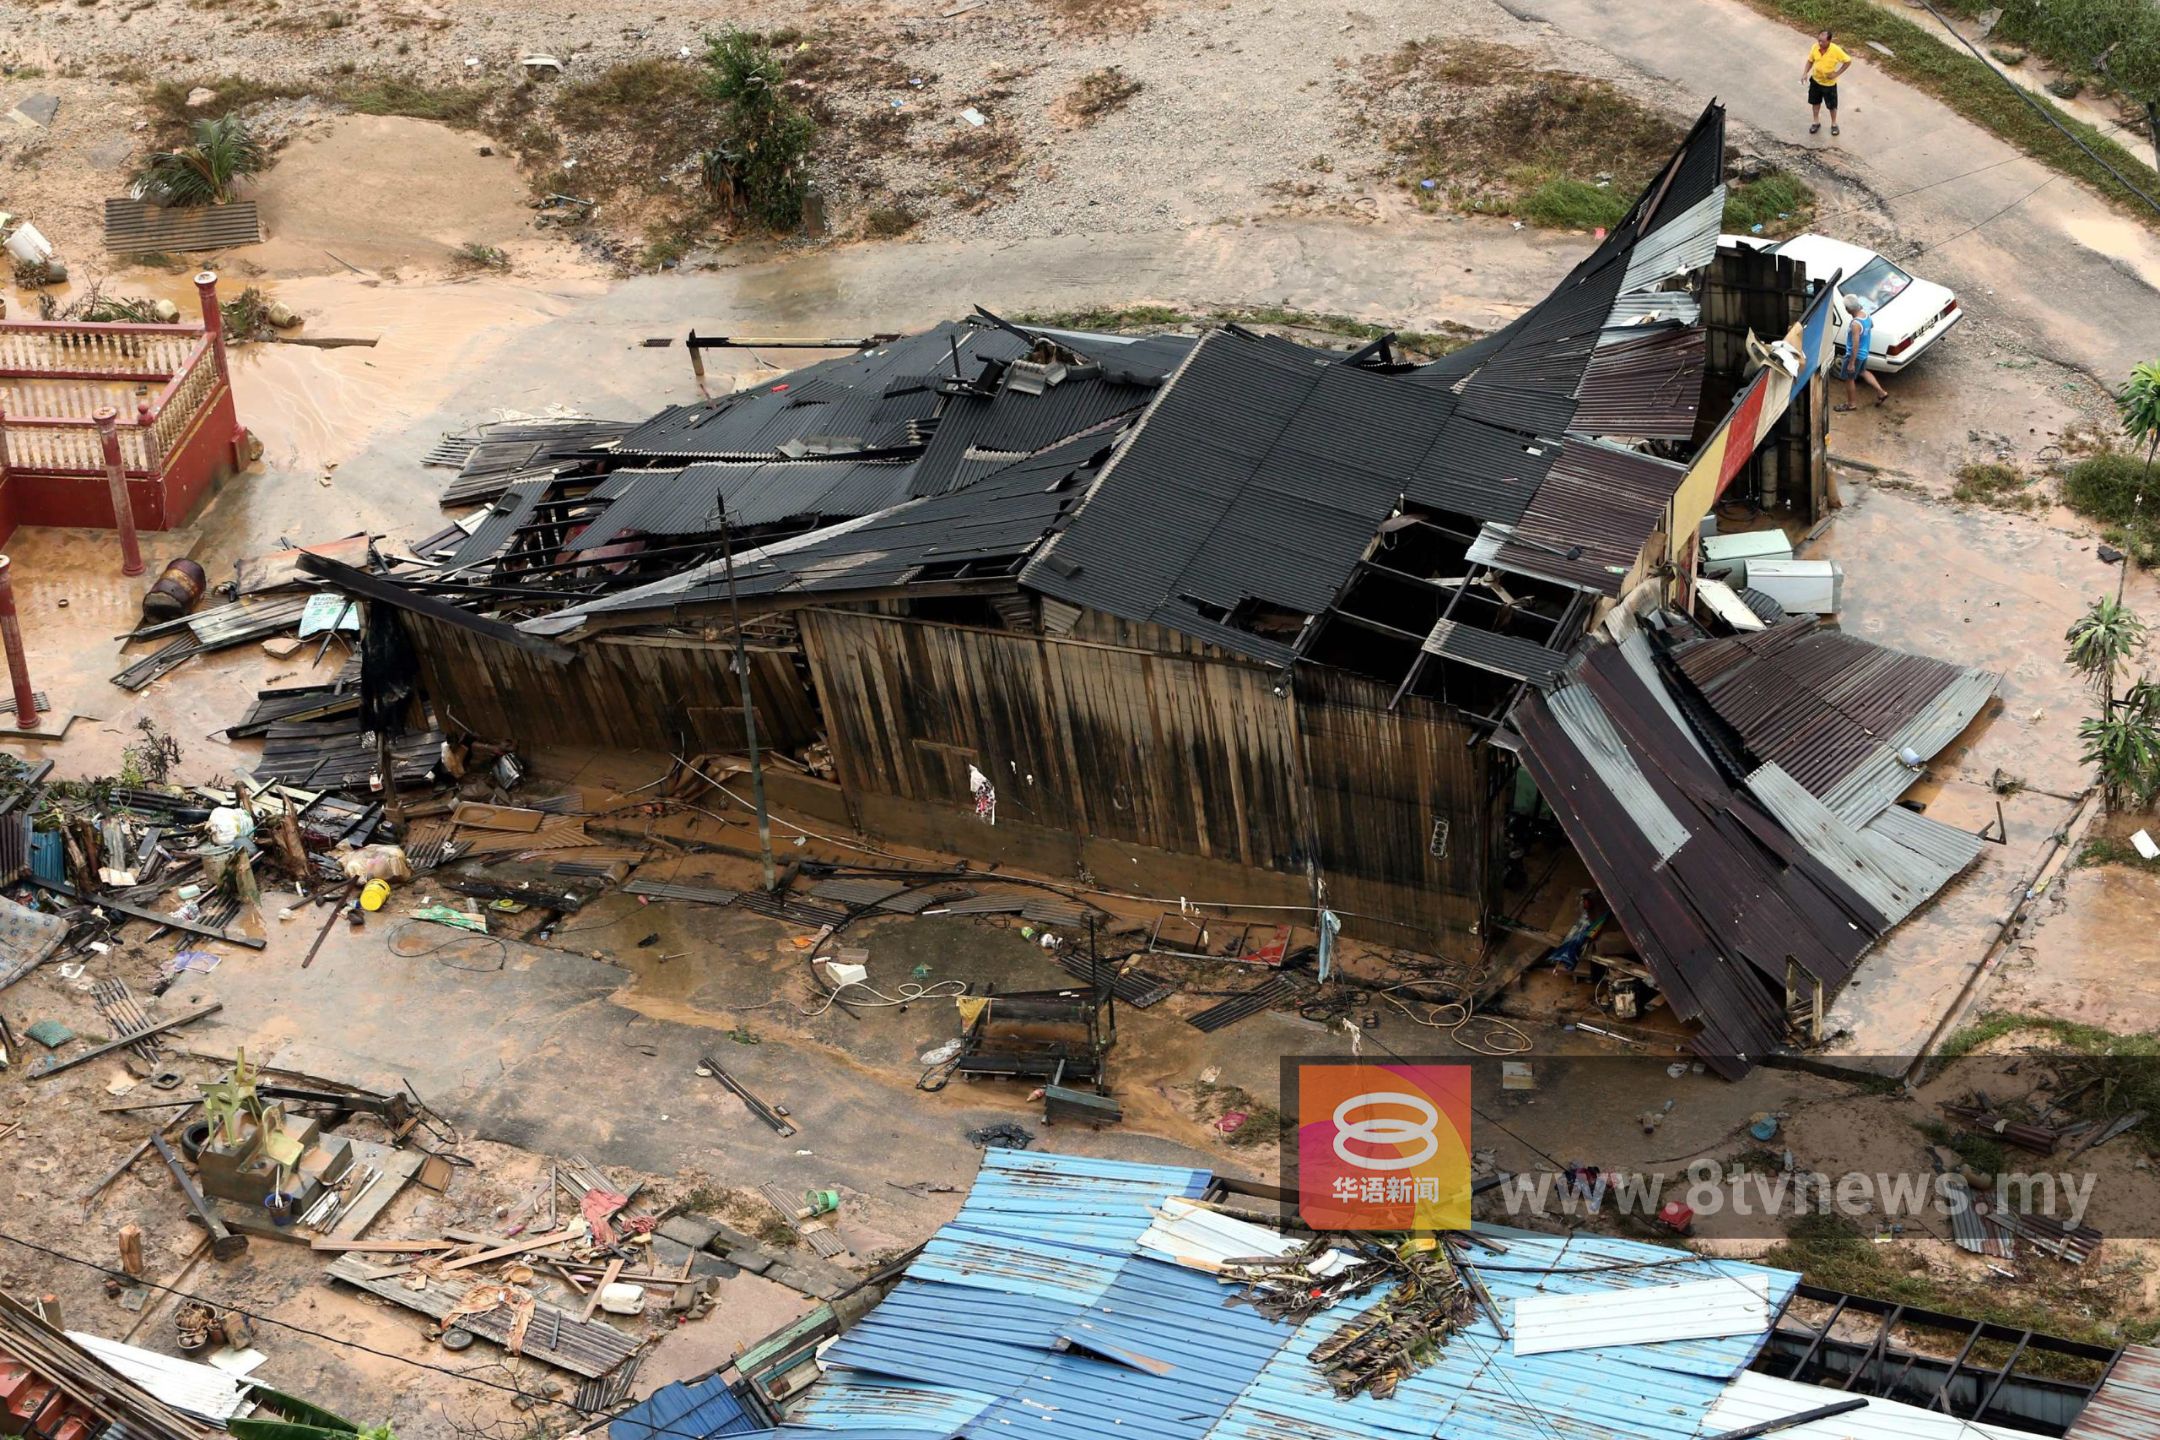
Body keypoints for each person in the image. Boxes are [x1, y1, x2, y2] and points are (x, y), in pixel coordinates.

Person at [1836, 297, 1888, 411]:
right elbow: (1871, 326)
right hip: (1864, 353)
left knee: (1849, 379)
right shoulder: (1866, 315)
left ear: (1848, 309)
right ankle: (1881, 392)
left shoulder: (1855, 324)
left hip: (1854, 355)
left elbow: (1855, 345)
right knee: (1863, 372)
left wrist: (1851, 363)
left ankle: (1851, 404)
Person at [1806, 28, 1853, 137]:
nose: (1819, 43)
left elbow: (1848, 61)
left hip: (1829, 84)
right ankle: (1816, 122)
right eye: (1819, 40)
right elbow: (1810, 60)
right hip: (1816, 81)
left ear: (1829, 41)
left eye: (1822, 41)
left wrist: (1837, 73)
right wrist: (1805, 72)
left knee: (1832, 106)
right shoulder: (1815, 47)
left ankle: (1834, 124)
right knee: (1815, 103)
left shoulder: (1836, 50)